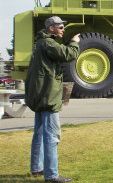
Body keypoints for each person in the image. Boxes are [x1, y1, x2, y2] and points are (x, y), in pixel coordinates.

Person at [25, 16, 80, 183]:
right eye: (60, 26)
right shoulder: (48, 43)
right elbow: (68, 54)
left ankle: (37, 168)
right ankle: (52, 175)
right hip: (48, 96)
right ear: (51, 28)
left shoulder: (41, 43)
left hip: (39, 95)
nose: (63, 29)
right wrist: (75, 42)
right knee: (52, 135)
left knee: (39, 133)